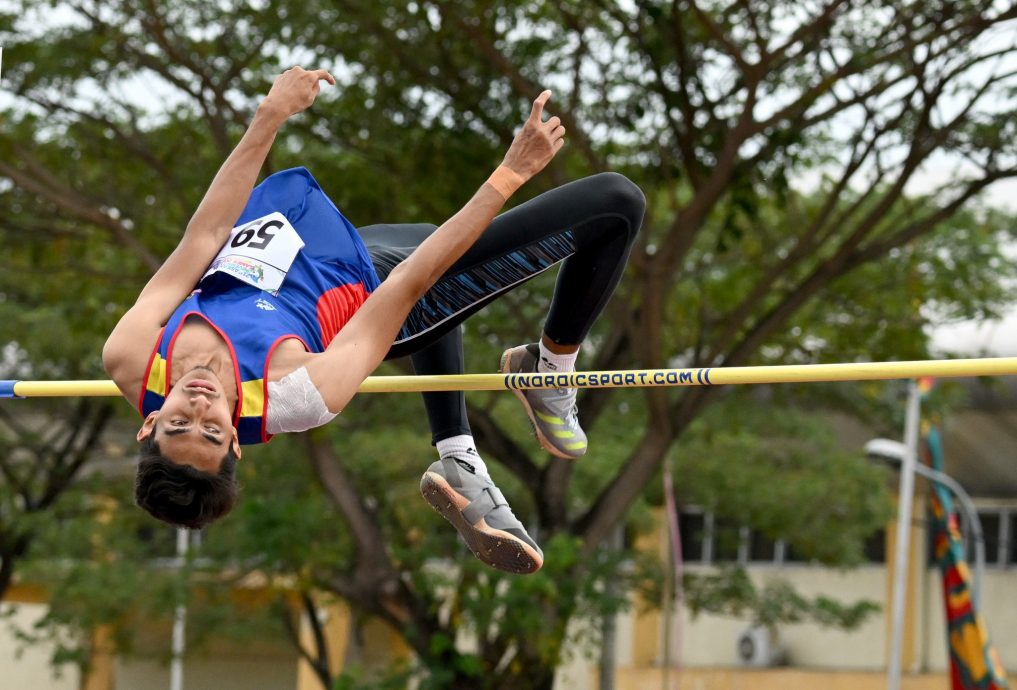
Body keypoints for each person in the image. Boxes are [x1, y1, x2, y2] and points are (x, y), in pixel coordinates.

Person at [102, 67, 644, 575]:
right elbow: (411, 282)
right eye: (214, 430)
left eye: (179, 423)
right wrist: (512, 173)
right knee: (615, 203)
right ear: (236, 445)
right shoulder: (295, 391)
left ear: (148, 422)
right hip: (388, 290)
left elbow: (203, 236)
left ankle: (460, 455)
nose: (198, 406)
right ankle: (552, 370)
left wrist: (269, 116)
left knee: (442, 231)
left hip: (345, 247)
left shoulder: (131, 355)